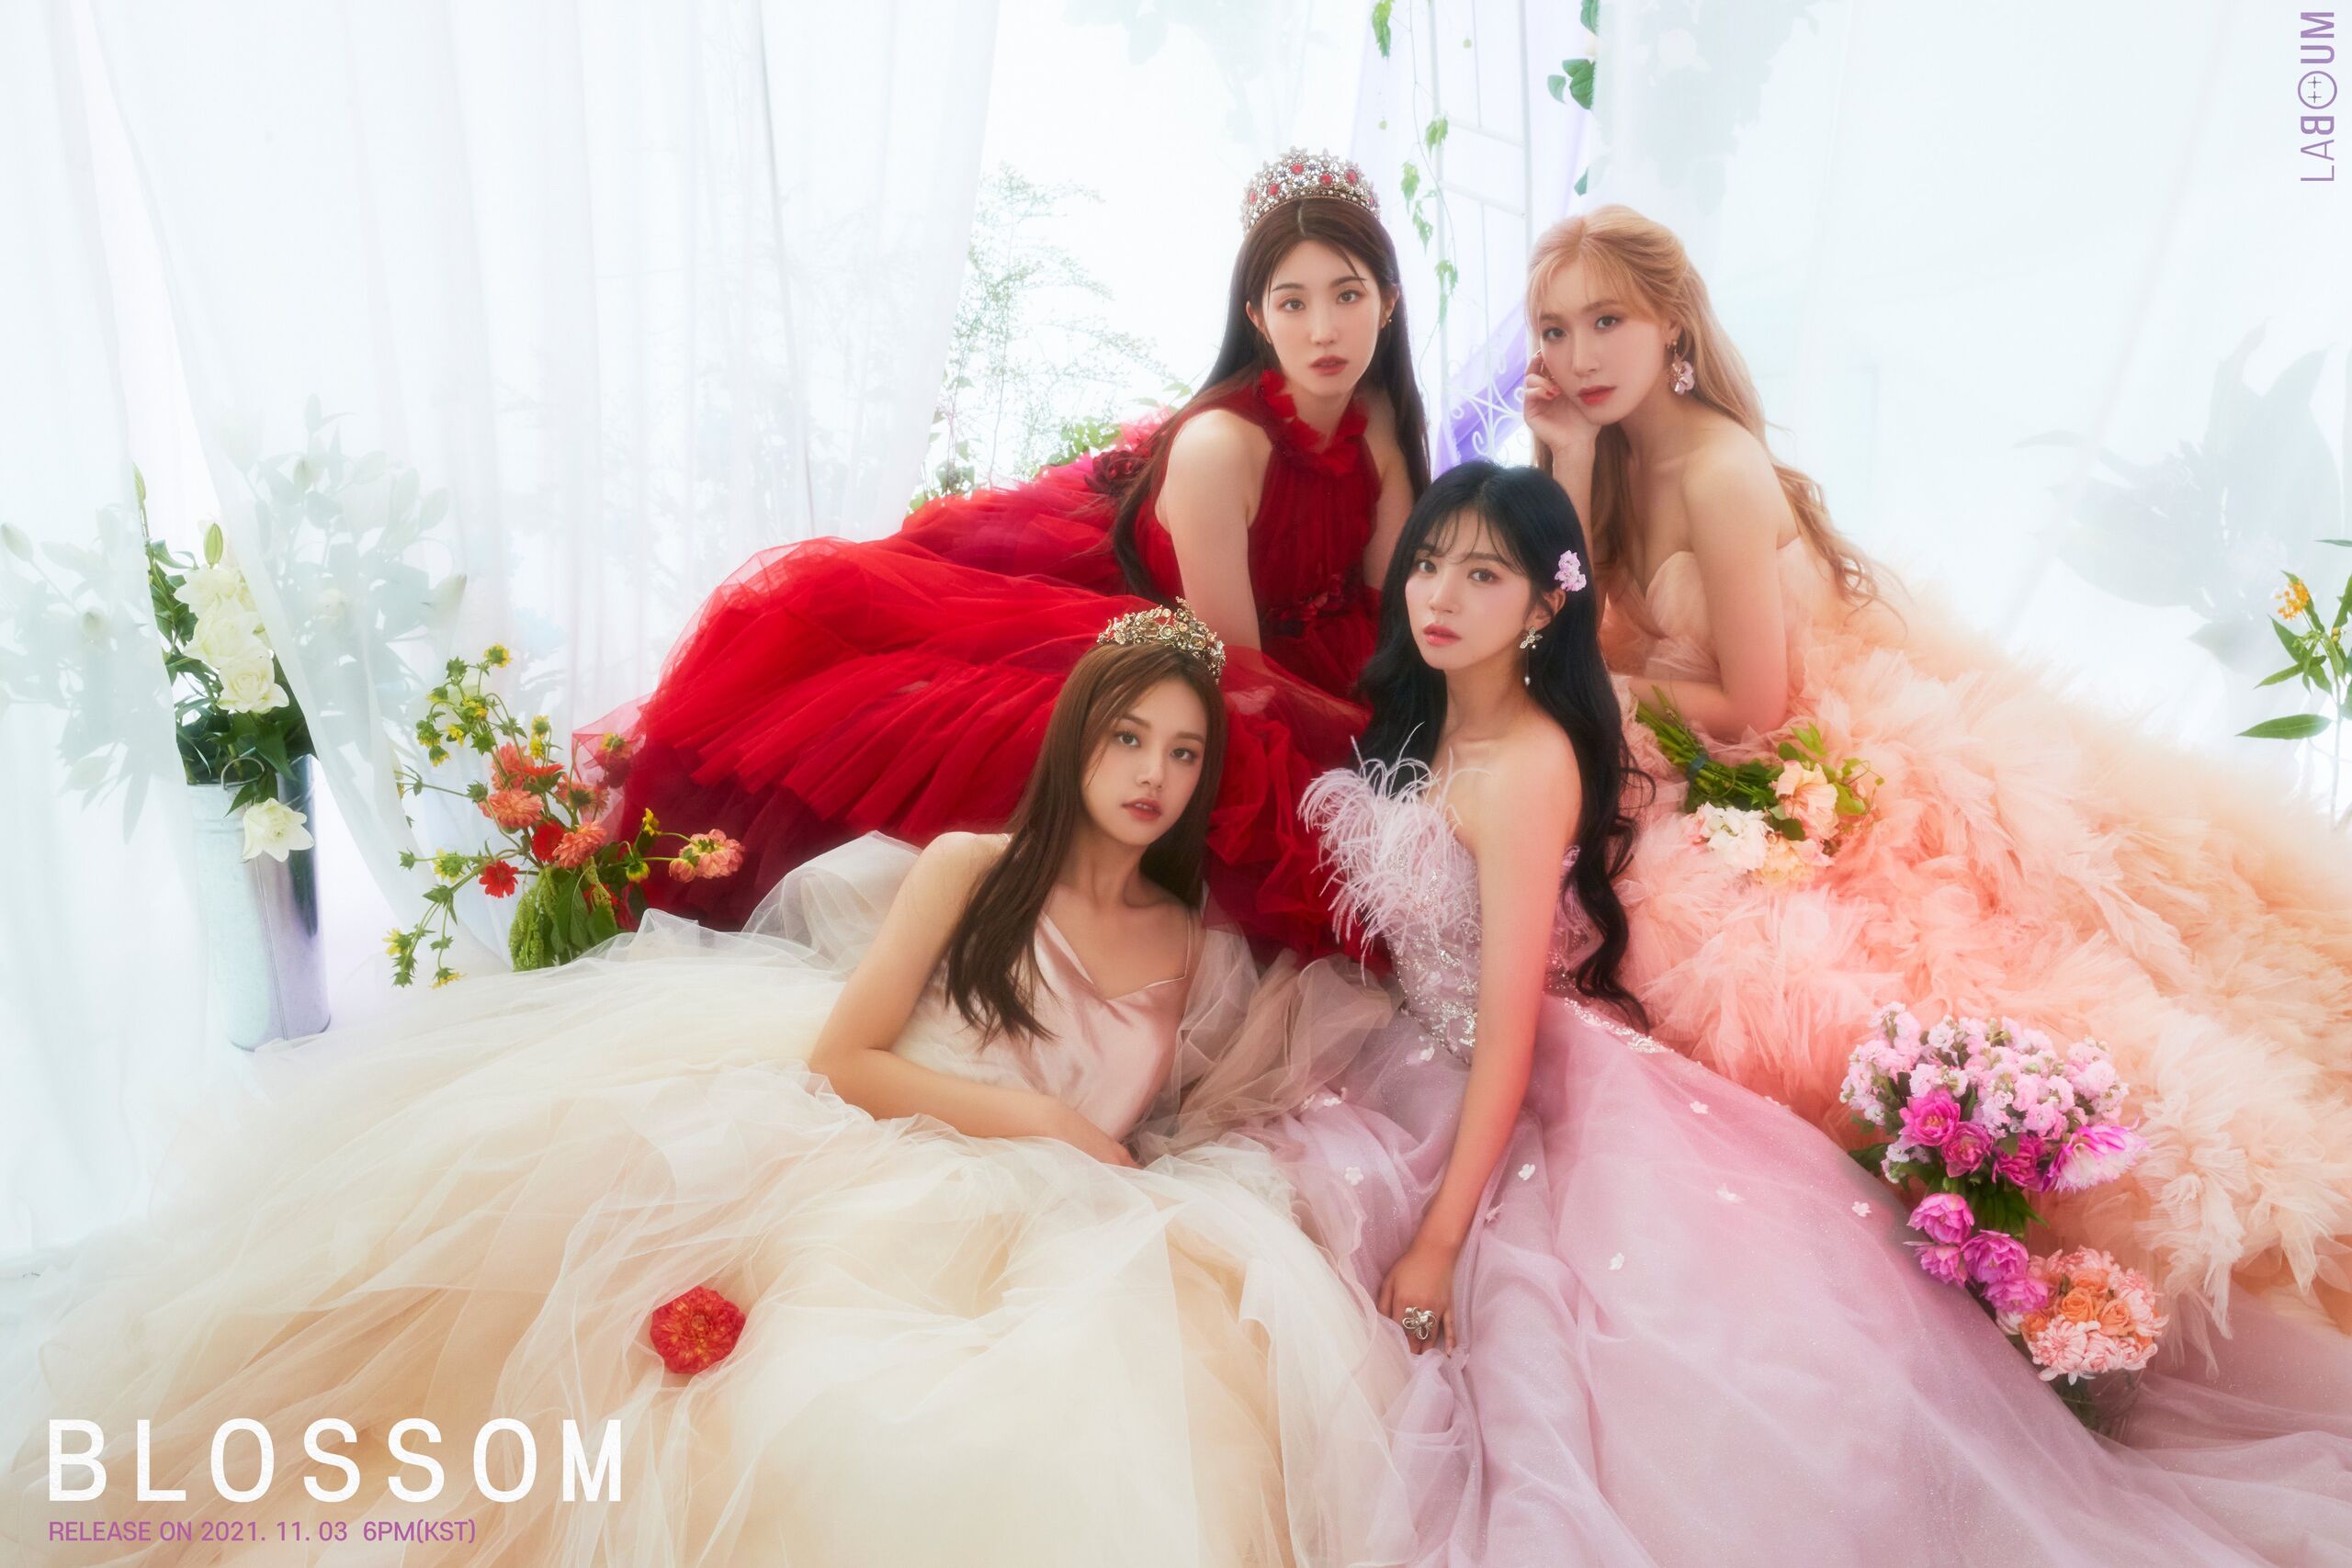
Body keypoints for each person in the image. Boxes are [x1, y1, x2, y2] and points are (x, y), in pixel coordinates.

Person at [1, 615, 1411, 1567]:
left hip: (1060, 1219)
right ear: (1077, 739)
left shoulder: (1191, 943)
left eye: (1182, 751)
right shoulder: (972, 868)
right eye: (1128, 738)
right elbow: (844, 1060)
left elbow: (1191, 1098)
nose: (1153, 773)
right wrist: (1044, 1119)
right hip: (897, 1140)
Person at [1260, 459, 2352, 1565]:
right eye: (1428, 564)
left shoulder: (1527, 766)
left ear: (1546, 606)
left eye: (1482, 574)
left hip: (1515, 1075)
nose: (1439, 595)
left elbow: (1505, 1030)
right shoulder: (1431, 726)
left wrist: (1440, 1240)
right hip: (1416, 1054)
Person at [1520, 204, 2352, 1333]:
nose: (1578, 355)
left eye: (1606, 321)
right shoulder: (1611, 450)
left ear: (1671, 322)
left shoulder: (1717, 469)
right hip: (1700, 731)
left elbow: (1754, 704)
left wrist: (1604, 696)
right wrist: (1568, 464)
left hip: (1798, 732)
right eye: (1554, 330)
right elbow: (1573, 624)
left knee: (1950, 969)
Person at [590, 149, 1429, 957]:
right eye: (1292, 303)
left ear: (1388, 301)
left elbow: (1395, 616)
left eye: (1347, 295)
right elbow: (1240, 675)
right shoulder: (1220, 447)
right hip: (1191, 654)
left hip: (1288, 660)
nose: (1323, 330)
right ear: (1255, 317)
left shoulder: (1380, 419)